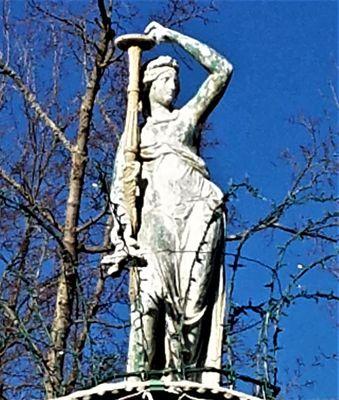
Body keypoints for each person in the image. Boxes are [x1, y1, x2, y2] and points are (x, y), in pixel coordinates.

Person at [102, 21, 233, 385]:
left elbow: (223, 70)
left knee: (192, 313)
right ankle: (140, 383)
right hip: (154, 230)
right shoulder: (135, 136)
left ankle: (183, 381)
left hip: (195, 217)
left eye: (174, 80)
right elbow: (120, 189)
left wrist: (173, 37)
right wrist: (123, 233)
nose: (173, 85)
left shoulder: (186, 120)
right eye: (163, 80)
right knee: (148, 307)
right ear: (146, 87)